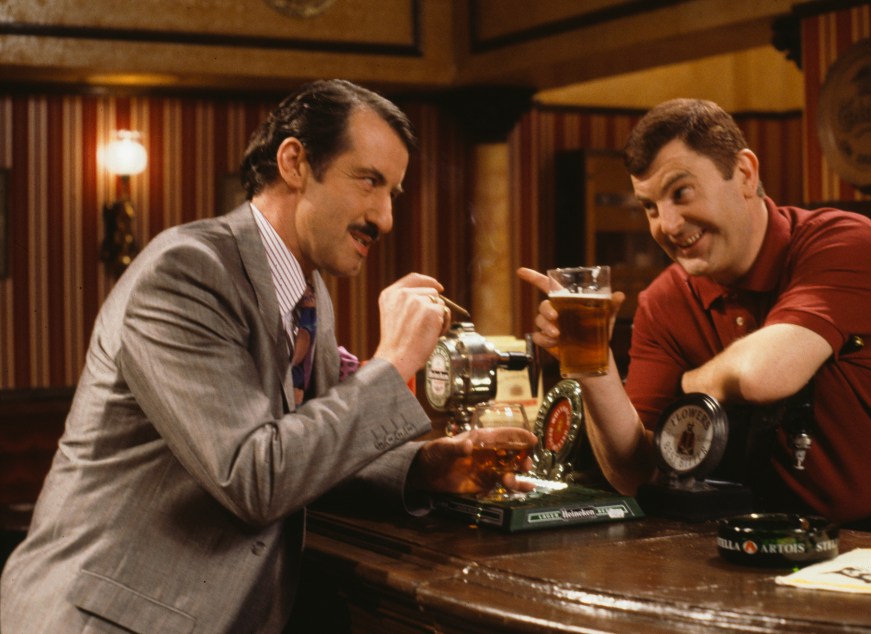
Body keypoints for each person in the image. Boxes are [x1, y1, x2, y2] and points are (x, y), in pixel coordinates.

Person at [1, 79, 534, 633]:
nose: (384, 218)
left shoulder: (310, 298)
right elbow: (254, 476)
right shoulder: (185, 272)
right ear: (295, 161)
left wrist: (427, 467)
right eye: (369, 182)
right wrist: (393, 362)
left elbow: (306, 454)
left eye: (392, 194)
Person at [520, 98, 871, 539]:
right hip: (765, 537)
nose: (667, 225)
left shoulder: (842, 241)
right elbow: (638, 473)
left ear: (745, 174)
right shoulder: (664, 300)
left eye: (681, 192)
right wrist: (594, 367)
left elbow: (762, 376)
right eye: (650, 207)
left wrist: (691, 383)